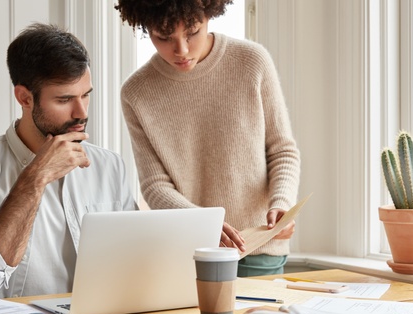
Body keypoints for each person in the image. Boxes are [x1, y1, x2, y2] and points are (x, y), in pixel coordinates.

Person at [0, 23, 137, 302]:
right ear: (25, 98)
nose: (81, 112)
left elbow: (136, 264)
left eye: (86, 95)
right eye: (65, 99)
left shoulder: (110, 167)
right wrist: (36, 176)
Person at [115, 0, 301, 277]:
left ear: (209, 15)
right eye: (163, 37)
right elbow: (155, 185)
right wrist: (205, 224)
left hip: (259, 247)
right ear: (145, 29)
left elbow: (282, 150)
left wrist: (282, 203)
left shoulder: (252, 61)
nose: (182, 50)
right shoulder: (137, 92)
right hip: (190, 252)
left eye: (192, 32)